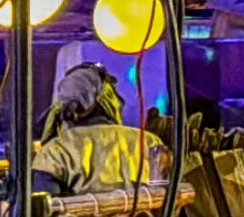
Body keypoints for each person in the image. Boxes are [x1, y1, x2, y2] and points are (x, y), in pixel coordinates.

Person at [32, 61, 164, 194]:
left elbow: (44, 203)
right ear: (109, 100)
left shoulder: (54, 152)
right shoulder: (150, 142)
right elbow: (167, 194)